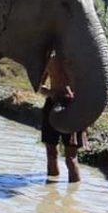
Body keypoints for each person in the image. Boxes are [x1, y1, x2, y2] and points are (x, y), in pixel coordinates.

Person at [39, 52, 86, 183]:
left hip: (72, 107)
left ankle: (73, 192)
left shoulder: (79, 61)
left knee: (71, 157)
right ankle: (51, 191)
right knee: (51, 153)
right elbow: (39, 85)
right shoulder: (50, 61)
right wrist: (50, 92)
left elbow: (88, 87)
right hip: (52, 105)